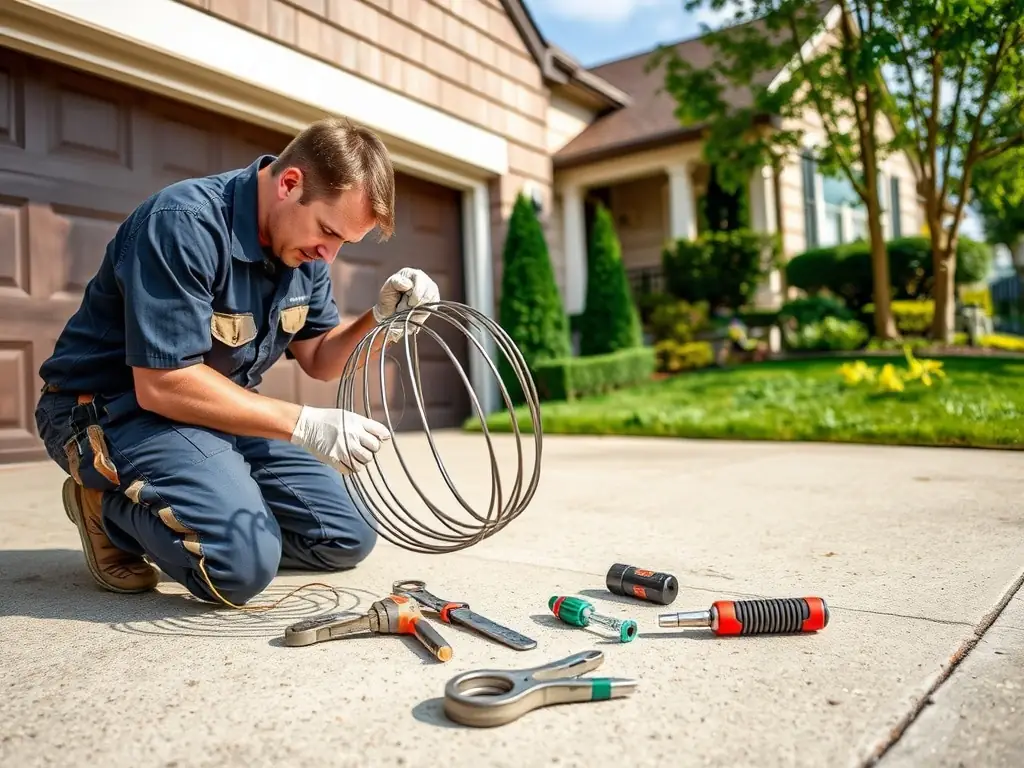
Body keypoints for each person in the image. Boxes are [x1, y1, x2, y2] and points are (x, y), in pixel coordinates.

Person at [33, 116, 440, 607]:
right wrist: (304, 423)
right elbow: (163, 385)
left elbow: (320, 358)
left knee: (343, 536)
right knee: (237, 567)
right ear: (290, 184)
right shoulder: (183, 222)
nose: (328, 256)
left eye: (343, 244)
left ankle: (212, 505)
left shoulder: (303, 255)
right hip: (111, 412)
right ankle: (104, 506)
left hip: (208, 415)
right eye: (328, 232)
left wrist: (380, 322)